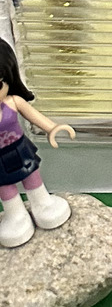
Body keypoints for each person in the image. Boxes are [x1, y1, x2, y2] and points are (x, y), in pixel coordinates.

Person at [0, 37, 75, 249]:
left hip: (19, 149)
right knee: (5, 187)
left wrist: (52, 128)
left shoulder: (13, 102)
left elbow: (34, 115)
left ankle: (43, 204)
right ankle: (15, 216)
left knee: (31, 175)